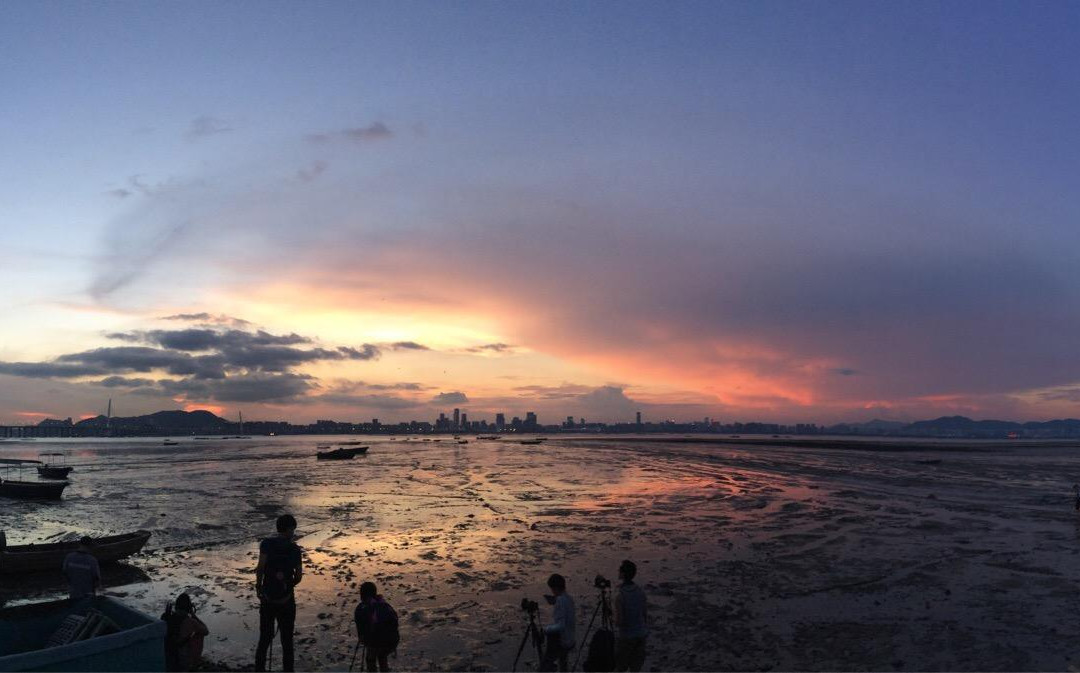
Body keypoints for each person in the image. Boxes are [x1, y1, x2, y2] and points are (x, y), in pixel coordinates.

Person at [255, 514, 303, 672]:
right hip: (287, 600)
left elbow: (260, 568)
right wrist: (289, 585)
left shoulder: (267, 544)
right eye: (293, 530)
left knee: (264, 639)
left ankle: (259, 669)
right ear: (289, 529)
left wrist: (259, 587)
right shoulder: (295, 549)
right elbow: (298, 576)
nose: (293, 533)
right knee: (287, 641)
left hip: (268, 599)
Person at [353, 581, 400, 672]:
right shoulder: (384, 604)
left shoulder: (361, 608)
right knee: (382, 656)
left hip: (376, 642)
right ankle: (384, 669)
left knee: (370, 658)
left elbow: (361, 632)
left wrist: (363, 639)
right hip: (392, 641)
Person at [613, 560, 648, 672]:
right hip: (641, 635)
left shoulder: (620, 596)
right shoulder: (640, 592)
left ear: (623, 574)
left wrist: (612, 619)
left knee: (620, 668)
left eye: (620, 570)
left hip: (627, 637)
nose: (618, 571)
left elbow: (620, 621)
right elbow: (644, 615)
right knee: (635, 669)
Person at [162, 593, 210, 672]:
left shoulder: (167, 617)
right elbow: (206, 631)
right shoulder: (190, 621)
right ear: (189, 608)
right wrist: (194, 615)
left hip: (166, 655)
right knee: (199, 635)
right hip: (182, 659)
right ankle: (193, 663)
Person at [541, 573, 575, 672]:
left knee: (546, 663)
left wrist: (546, 630)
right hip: (570, 638)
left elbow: (561, 626)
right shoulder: (568, 598)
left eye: (552, 589)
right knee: (563, 664)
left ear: (555, 588)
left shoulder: (560, 601)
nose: (552, 591)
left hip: (562, 641)